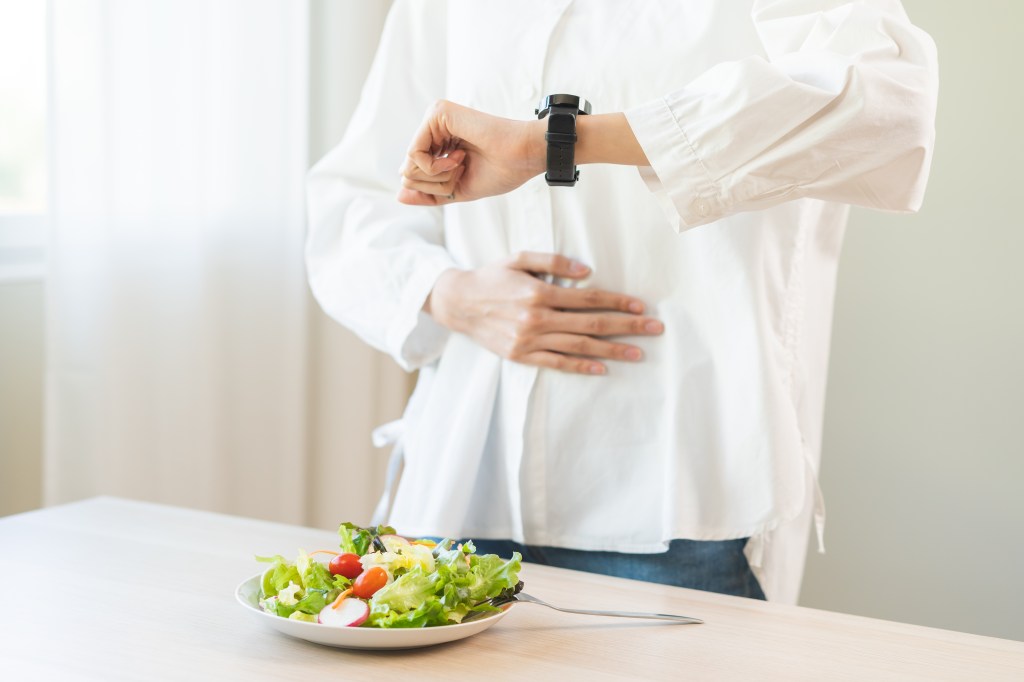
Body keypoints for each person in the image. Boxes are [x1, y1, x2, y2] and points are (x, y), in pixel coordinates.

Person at [306, 0, 938, 603]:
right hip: (464, 480)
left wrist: (559, 142)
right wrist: (444, 293)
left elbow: (884, 101)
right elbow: (355, 196)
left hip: (680, 504)